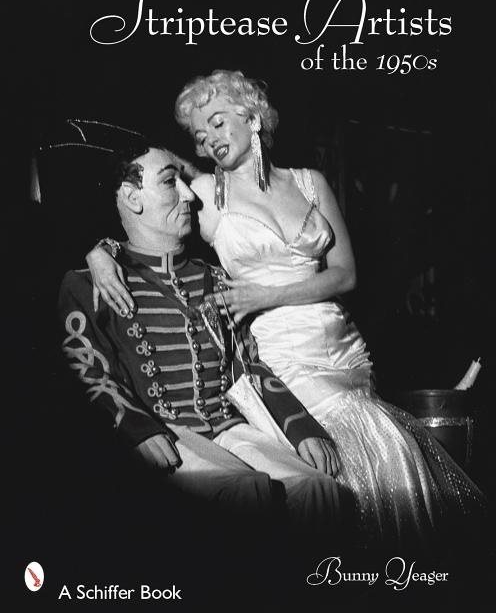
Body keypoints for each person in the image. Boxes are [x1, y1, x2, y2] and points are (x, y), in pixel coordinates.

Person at [87, 72, 486, 552]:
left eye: (218, 123)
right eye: (199, 134)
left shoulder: (310, 182)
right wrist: (100, 249)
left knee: (370, 455)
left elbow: (346, 275)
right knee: (371, 447)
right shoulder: (208, 192)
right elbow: (146, 200)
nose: (209, 140)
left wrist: (268, 294)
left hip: (342, 347)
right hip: (278, 353)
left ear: (253, 118)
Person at [58, 132, 343, 533]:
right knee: (246, 491)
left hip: (227, 426)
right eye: (169, 182)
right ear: (132, 198)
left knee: (317, 488)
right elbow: (89, 373)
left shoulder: (214, 278)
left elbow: (248, 363)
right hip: (163, 432)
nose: (189, 195)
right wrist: (134, 428)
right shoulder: (88, 283)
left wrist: (300, 427)